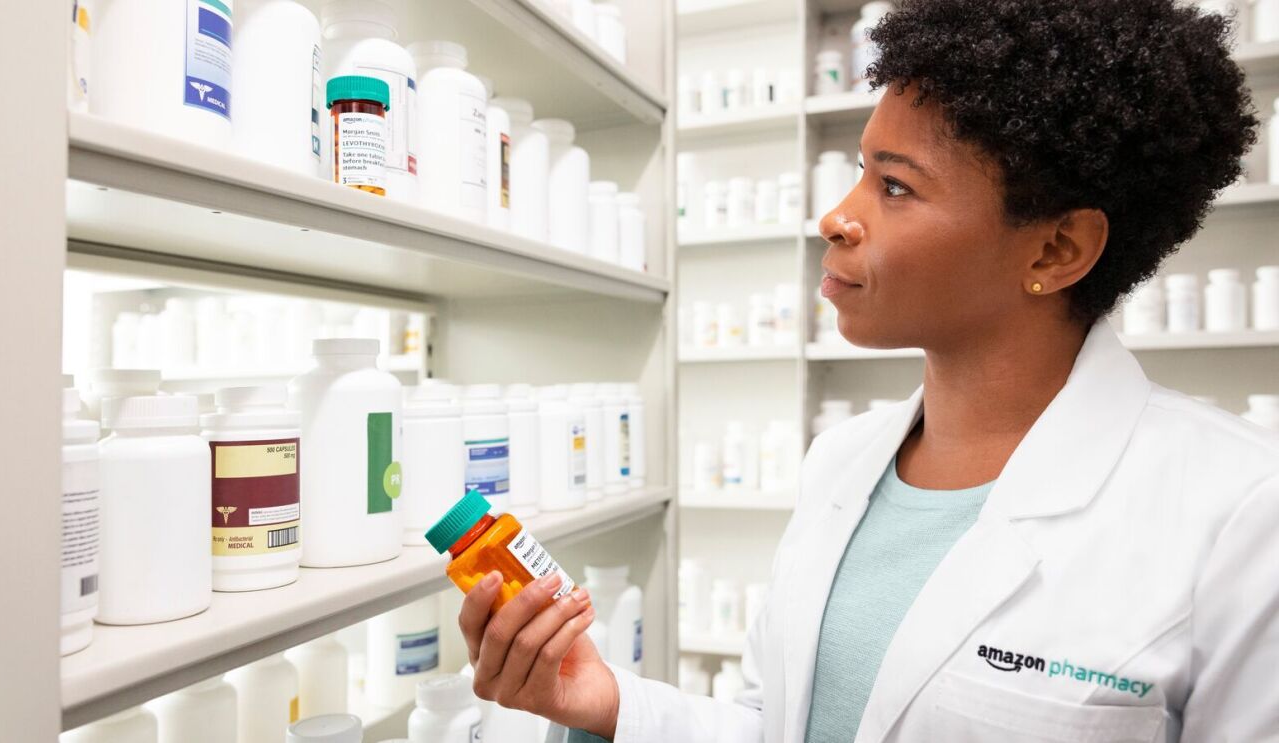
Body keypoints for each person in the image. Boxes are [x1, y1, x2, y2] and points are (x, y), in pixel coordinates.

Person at [455, 0, 1279, 740]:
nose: (837, 216)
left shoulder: (1238, 509)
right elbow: (774, 724)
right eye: (860, 170)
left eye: (893, 185)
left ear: (1056, 248)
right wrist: (605, 701)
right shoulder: (842, 463)